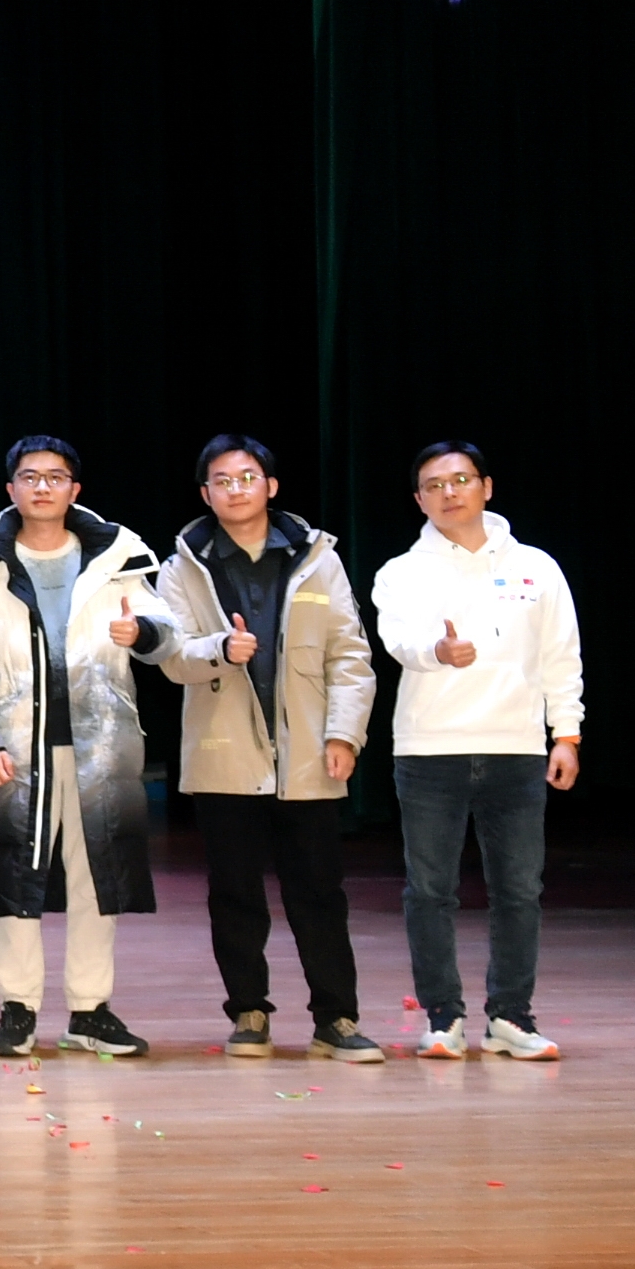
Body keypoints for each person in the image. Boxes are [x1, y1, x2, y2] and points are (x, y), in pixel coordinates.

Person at [153, 436, 383, 1061]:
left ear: (271, 486)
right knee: (235, 895)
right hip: (223, 755)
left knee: (319, 894)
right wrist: (219, 650)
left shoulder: (318, 559)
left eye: (247, 477)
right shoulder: (181, 568)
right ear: (206, 494)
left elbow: (350, 656)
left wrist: (344, 734)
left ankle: (336, 1018)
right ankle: (248, 1012)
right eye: (222, 481)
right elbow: (172, 658)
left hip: (308, 754)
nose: (236, 489)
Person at [0, 437, 175, 1058]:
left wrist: (142, 631)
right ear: (11, 489)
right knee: (11, 876)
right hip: (11, 748)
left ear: (75, 489)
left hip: (100, 748)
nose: (43, 487)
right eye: (30, 477)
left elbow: (167, 633)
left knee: (97, 877)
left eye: (56, 477)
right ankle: (17, 1008)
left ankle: (90, 1010)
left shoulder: (116, 554)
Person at [371, 441, 585, 1060]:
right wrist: (437, 651)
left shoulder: (536, 567)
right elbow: (398, 640)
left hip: (516, 748)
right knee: (430, 890)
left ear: (486, 487)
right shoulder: (401, 571)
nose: (449, 493)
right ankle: (443, 1017)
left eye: (461, 480)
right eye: (435, 485)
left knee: (519, 889)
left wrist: (566, 734)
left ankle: (511, 1016)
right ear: (419, 500)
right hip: (429, 750)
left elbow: (560, 655)